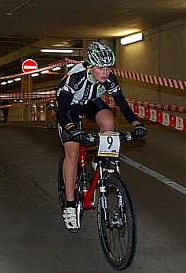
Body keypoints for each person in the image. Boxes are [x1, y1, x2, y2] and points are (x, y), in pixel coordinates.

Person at [56, 41, 147, 232]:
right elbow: (61, 111)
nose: (105, 72)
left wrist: (136, 124)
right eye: (100, 68)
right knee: (72, 151)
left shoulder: (109, 79)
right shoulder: (76, 77)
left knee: (109, 122)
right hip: (68, 108)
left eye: (108, 68)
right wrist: (73, 128)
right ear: (90, 66)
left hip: (90, 101)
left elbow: (122, 104)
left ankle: (101, 158)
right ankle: (71, 206)